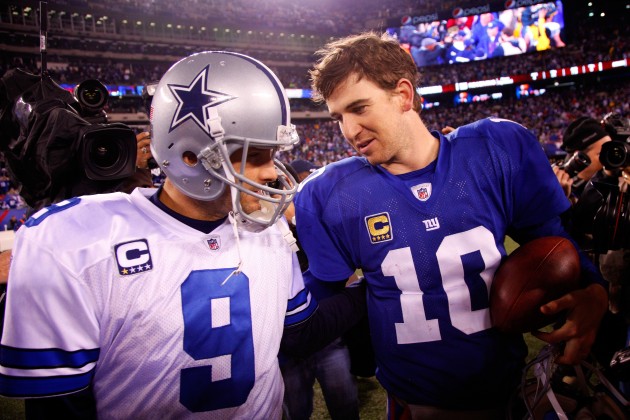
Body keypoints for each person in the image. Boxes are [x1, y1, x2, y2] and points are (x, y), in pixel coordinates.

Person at [0, 51, 366, 419]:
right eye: (254, 155)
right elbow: (61, 407)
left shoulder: (268, 231)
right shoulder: (79, 241)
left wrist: (376, 285)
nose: (272, 172)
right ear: (190, 157)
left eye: (273, 154)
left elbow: (301, 332)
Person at [293, 32, 608, 418]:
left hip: (507, 392)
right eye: (339, 117)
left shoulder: (494, 150)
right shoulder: (331, 193)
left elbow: (552, 241)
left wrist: (594, 288)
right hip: (412, 403)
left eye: (359, 108)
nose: (349, 130)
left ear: (403, 95)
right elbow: (322, 298)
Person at [280, 160, 360, 420]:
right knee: (297, 410)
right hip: (287, 339)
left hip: (326, 331)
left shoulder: (308, 216)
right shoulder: (257, 232)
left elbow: (343, 272)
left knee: (344, 404)